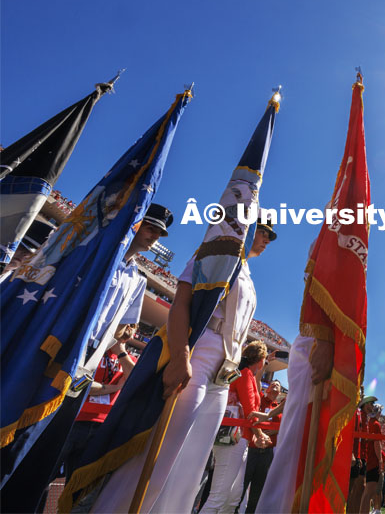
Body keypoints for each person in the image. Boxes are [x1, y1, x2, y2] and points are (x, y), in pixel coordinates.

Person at [89, 218, 275, 513]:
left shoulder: (249, 275)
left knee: (193, 463)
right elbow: (182, 302)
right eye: (264, 232)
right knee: (163, 450)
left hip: (226, 365)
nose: (267, 240)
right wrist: (180, 354)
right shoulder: (218, 251)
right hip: (202, 346)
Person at [0, 204, 171, 513]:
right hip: (63, 342)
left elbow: (123, 326)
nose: (153, 236)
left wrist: (124, 333)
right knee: (24, 425)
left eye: (158, 233)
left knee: (52, 438)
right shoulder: (100, 257)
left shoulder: (138, 278)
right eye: (150, 228)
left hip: (90, 357)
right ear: (136, 225)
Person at [57, 323, 138, 482]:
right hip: (73, 421)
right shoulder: (93, 352)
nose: (128, 328)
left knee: (80, 485)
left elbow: (134, 381)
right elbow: (77, 386)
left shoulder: (129, 360)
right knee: (44, 477)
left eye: (132, 326)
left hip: (101, 426)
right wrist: (114, 387)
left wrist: (121, 354)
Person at [201, 340, 271, 514]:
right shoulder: (244, 373)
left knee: (233, 498)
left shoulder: (239, 372)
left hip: (238, 439)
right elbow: (250, 410)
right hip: (234, 439)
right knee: (219, 497)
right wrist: (260, 434)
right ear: (261, 360)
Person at [240, 378, 282, 513]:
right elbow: (256, 382)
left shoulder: (280, 408)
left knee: (258, 488)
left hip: (267, 453)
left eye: (278, 385)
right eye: (273, 384)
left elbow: (288, 424)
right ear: (267, 389)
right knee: (242, 485)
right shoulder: (260, 399)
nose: (275, 385)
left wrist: (276, 429)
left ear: (280, 392)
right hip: (252, 448)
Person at [359, 400, 383, 514]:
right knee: (369, 492)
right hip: (373, 461)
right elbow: (376, 443)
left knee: (368, 492)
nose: (381, 414)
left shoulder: (370, 423)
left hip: (370, 459)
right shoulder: (376, 424)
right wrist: (380, 460)